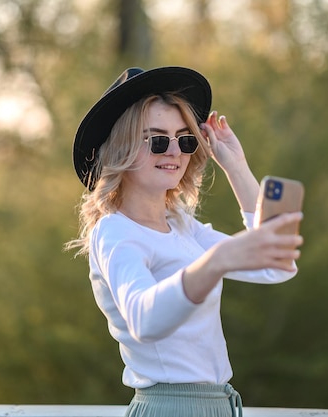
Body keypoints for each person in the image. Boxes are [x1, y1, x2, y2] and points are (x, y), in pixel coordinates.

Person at [67, 66, 303, 417]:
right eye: (158, 140)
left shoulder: (181, 226)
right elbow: (144, 319)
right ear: (121, 148)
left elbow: (276, 266)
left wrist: (236, 167)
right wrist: (217, 261)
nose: (175, 151)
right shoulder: (115, 231)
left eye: (185, 139)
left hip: (218, 405)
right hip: (169, 408)